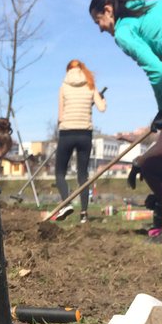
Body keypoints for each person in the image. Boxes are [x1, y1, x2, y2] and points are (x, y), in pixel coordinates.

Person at [89, 0, 162, 239]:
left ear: (109, 10)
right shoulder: (146, 8)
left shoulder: (124, 30)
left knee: (153, 164)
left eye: (98, 20)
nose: (100, 29)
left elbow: (158, 71)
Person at [54, 59, 106, 223]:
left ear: (68, 70)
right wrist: (100, 99)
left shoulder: (63, 87)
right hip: (85, 134)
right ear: (82, 69)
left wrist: (63, 122)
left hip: (67, 133)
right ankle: (84, 214)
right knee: (82, 175)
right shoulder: (90, 84)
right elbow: (102, 108)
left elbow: (60, 116)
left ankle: (66, 203)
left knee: (60, 172)